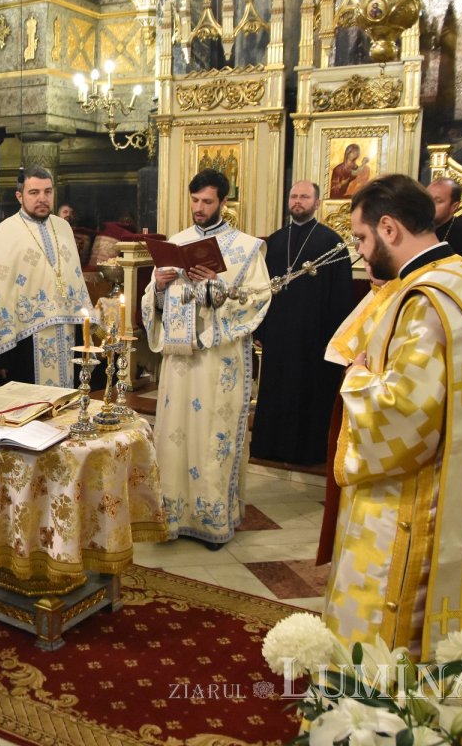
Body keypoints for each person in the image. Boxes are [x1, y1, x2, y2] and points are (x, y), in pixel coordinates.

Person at [322, 174, 462, 660]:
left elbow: (405, 417)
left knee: (392, 630)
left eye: (363, 239)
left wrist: (358, 378)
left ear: (389, 228)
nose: (362, 253)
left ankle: (379, 716)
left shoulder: (424, 300)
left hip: (419, 494)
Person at [141, 169, 270, 547]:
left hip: (218, 361)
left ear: (224, 203)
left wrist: (213, 287)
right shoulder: (174, 244)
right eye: (195, 201)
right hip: (180, 362)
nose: (199, 208)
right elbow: (154, 304)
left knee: (213, 436)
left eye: (207, 202)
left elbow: (257, 301)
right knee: (174, 434)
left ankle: (213, 519)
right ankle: (174, 516)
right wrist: (160, 289)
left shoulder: (246, 249)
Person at [0, 166, 91, 398]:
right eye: (34, 193)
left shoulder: (64, 228)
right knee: (31, 412)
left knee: (67, 406)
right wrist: (1, 356)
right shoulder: (3, 234)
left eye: (48, 191)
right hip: (24, 342)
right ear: (19, 196)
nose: (42, 198)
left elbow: (76, 281)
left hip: (67, 335)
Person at [250, 181, 353, 467]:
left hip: (314, 336)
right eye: (294, 196)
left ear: (317, 203)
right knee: (276, 389)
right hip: (279, 333)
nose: (297, 201)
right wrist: (261, 328)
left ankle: (306, 452)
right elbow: (261, 289)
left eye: (304, 197)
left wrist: (335, 338)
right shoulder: (276, 241)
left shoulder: (332, 243)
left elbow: (341, 296)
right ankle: (269, 446)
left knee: (309, 391)